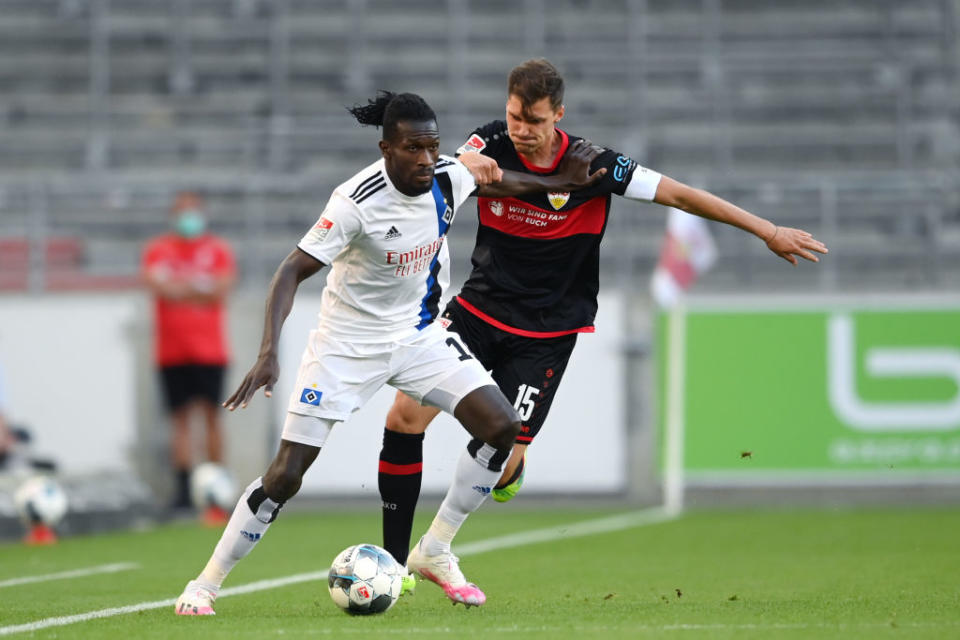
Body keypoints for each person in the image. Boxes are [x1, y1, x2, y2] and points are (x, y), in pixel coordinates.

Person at [377, 58, 829, 576]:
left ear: (559, 116)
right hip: (477, 311)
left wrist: (766, 229)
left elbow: (680, 194)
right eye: (514, 117)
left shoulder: (596, 165)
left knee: (500, 461)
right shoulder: (489, 143)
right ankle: (392, 563)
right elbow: (459, 172)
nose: (521, 131)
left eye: (535, 121)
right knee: (403, 417)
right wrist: (482, 168)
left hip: (546, 332)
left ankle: (438, 542)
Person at [172, 91, 606, 616]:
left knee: (500, 424)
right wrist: (269, 351)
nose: (426, 159)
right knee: (286, 475)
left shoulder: (446, 176)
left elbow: (502, 180)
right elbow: (291, 269)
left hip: (418, 337)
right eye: (413, 149)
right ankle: (205, 583)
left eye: (433, 146)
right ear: (386, 149)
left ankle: (436, 548)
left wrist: (562, 185)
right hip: (345, 348)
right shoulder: (355, 201)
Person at [142, 192, 237, 517]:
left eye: (192, 212)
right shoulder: (159, 250)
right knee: (180, 420)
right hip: (171, 351)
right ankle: (184, 490)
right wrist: (198, 288)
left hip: (211, 351)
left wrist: (180, 288)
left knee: (212, 417)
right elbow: (157, 286)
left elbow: (221, 289)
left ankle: (217, 488)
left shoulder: (217, 250)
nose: (188, 218)